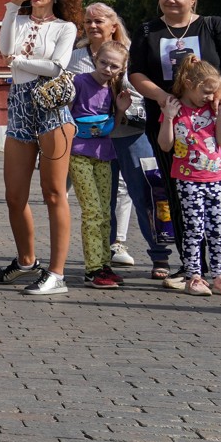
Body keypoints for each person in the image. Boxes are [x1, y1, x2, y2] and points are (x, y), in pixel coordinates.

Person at [129, 0, 221, 292]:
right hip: (172, 122)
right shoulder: (148, 30)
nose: (171, 0)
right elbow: (136, 73)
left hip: (216, 120)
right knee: (178, 192)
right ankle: (191, 267)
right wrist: (159, 95)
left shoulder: (212, 25)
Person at [0, 0, 80, 296]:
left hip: (51, 107)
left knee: (54, 192)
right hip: (18, 104)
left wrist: (17, 62)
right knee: (14, 195)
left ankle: (57, 273)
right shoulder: (16, 18)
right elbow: (4, 49)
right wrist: (12, 7)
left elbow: (57, 66)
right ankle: (27, 260)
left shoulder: (65, 27)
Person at [72, 5, 159, 274]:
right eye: (87, 21)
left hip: (131, 132)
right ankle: (104, 257)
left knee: (145, 192)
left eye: (99, 21)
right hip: (92, 141)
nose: (92, 26)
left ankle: (160, 255)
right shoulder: (75, 56)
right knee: (101, 201)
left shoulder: (131, 53)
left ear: (113, 25)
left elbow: (141, 90)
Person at [159, 60, 221, 296]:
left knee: (218, 229)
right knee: (194, 228)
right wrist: (169, 118)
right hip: (188, 180)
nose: (209, 97)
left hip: (215, 178)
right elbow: (165, 145)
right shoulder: (176, 110)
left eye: (213, 92)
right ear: (189, 84)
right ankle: (194, 275)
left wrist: (220, 114)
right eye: (205, 91)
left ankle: (220, 275)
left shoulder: (213, 109)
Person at [68, 41, 130, 288]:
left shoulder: (114, 89)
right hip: (78, 153)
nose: (107, 68)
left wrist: (120, 111)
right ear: (95, 58)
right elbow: (65, 114)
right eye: (104, 62)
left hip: (104, 154)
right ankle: (93, 269)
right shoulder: (79, 81)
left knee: (105, 213)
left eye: (114, 65)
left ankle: (105, 264)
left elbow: (111, 127)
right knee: (92, 211)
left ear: (122, 68)